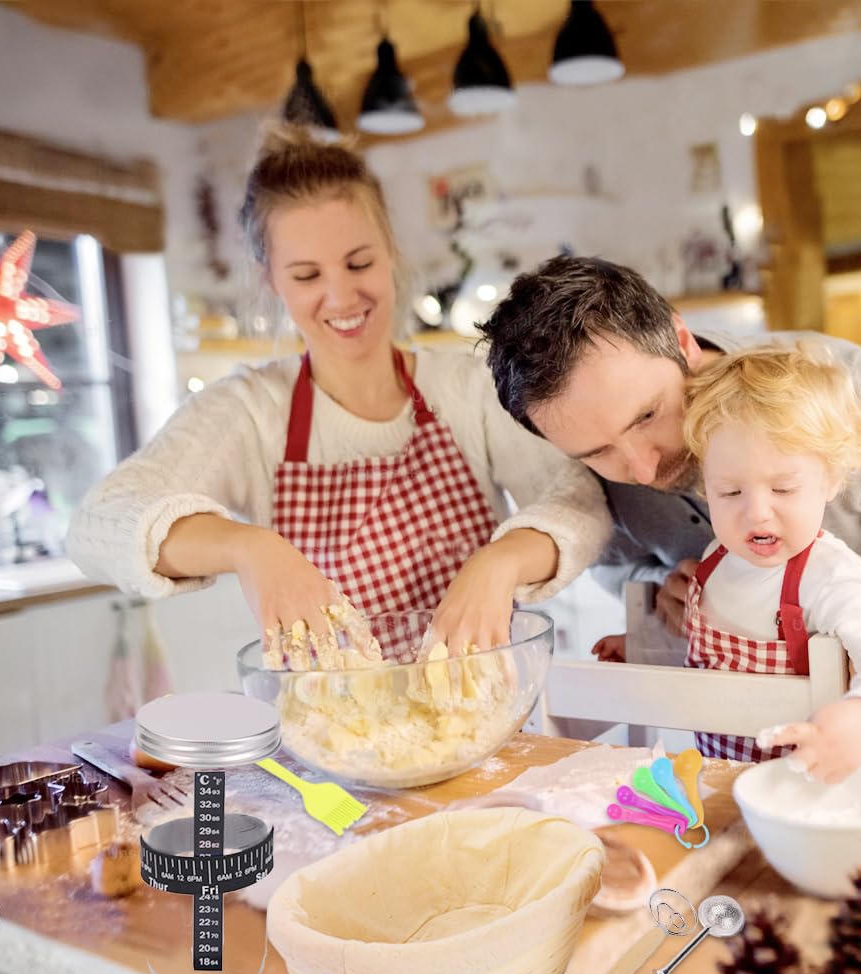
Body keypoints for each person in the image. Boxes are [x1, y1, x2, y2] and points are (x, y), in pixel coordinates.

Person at [66, 129, 610, 660]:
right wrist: (248, 547)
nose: (340, 295)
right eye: (306, 275)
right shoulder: (250, 412)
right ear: (271, 280)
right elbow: (97, 525)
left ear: (391, 251)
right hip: (329, 742)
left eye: (359, 263)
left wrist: (500, 561)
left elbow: (577, 500)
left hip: (487, 727)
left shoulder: (465, 387)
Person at [478, 255, 861, 706]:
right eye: (598, 453)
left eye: (646, 415)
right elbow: (616, 566)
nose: (642, 471)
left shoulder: (859, 398)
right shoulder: (584, 455)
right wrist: (660, 586)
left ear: (682, 340)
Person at [680, 344, 861, 780]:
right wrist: (642, 644)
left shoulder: (830, 577)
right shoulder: (715, 556)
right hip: (715, 783)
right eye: (729, 492)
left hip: (804, 788)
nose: (755, 512)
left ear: (830, 480)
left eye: (784, 489)